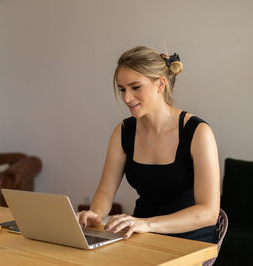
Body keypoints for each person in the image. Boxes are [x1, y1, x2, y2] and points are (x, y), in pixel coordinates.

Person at [76, 45, 220, 243]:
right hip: (139, 235)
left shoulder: (198, 132)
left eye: (135, 87)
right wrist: (95, 213)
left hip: (189, 239)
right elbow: (105, 191)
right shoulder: (123, 131)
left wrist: (147, 224)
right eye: (122, 89)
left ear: (160, 84)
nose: (127, 98)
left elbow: (208, 213)